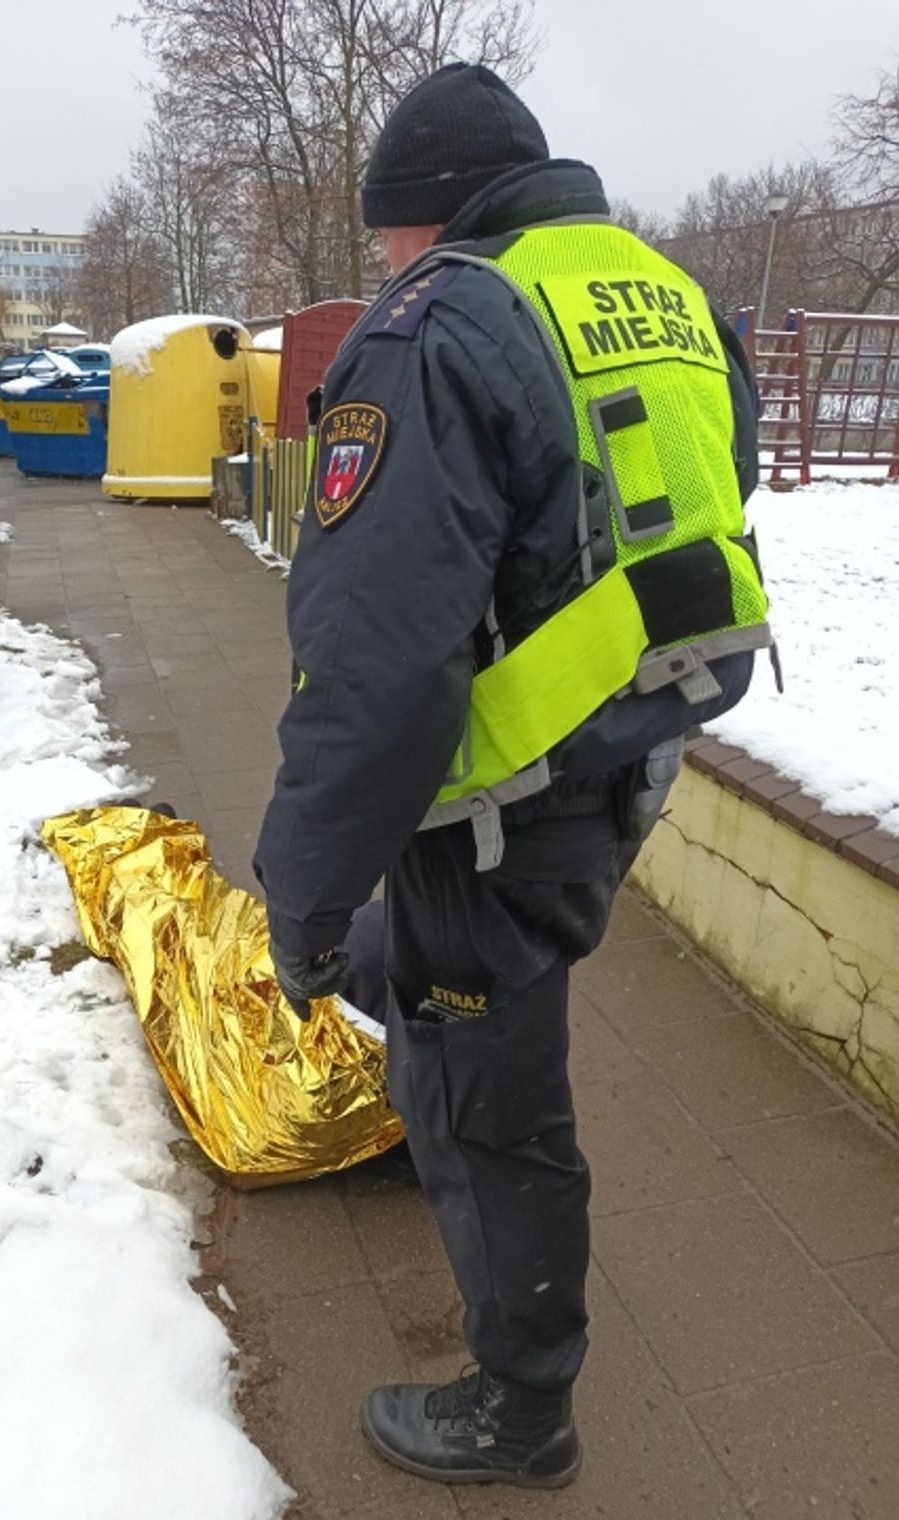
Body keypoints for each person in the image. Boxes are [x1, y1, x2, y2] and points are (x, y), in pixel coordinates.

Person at [254, 62, 767, 1490]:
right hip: (631, 755)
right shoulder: (664, 299)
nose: (382, 263)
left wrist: (298, 894)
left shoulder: (438, 328)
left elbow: (373, 670)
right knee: (445, 997)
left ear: (427, 216)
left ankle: (522, 1406)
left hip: (502, 803)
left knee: (499, 1097)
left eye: (383, 239)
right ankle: (427, 1052)